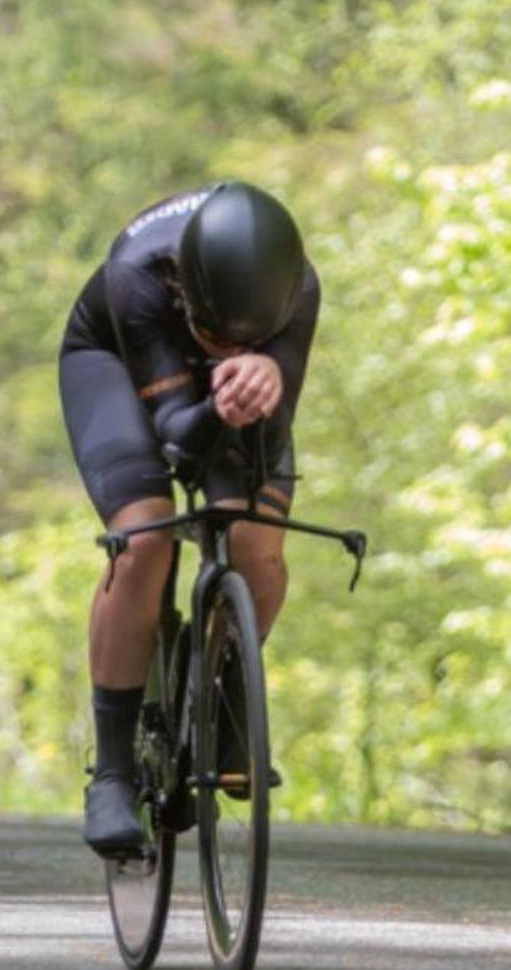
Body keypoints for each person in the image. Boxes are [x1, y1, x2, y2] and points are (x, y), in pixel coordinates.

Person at [56, 180, 319, 855]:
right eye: (212, 340)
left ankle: (229, 699)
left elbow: (265, 439)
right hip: (116, 361)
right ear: (186, 296)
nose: (224, 355)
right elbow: (176, 433)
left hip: (223, 387)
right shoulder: (137, 279)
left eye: (245, 343)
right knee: (146, 537)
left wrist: (266, 374)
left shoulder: (296, 288)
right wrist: (217, 405)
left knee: (255, 536)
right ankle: (112, 772)